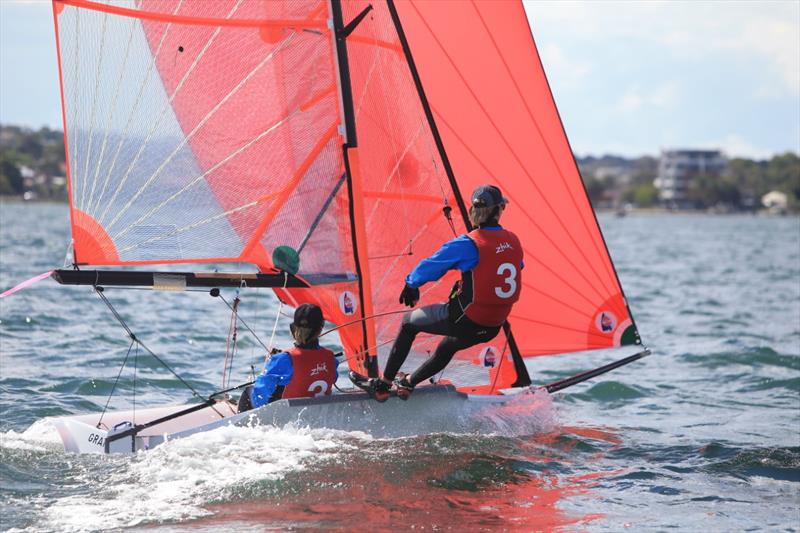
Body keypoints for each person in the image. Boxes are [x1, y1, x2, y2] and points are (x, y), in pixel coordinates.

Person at [361, 184, 523, 402]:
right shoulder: (513, 241)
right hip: (493, 326)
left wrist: (411, 284)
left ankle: (384, 384)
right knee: (448, 345)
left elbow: (430, 266)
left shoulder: (469, 243)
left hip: (466, 320)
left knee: (409, 322)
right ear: (499, 210)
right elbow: (514, 266)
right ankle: (408, 384)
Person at [238, 303, 338, 412]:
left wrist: (272, 364)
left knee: (249, 391)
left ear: (293, 329)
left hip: (290, 418)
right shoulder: (331, 358)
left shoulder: (284, 359)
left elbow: (260, 394)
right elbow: (331, 377)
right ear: (320, 329)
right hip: (318, 415)